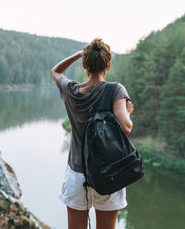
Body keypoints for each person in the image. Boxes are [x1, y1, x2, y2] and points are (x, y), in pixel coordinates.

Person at [51, 38, 134, 229]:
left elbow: (56, 71)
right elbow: (126, 127)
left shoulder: (71, 91)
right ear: (108, 64)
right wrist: (128, 113)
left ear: (84, 64)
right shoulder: (115, 90)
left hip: (78, 174)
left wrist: (78, 54)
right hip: (109, 172)